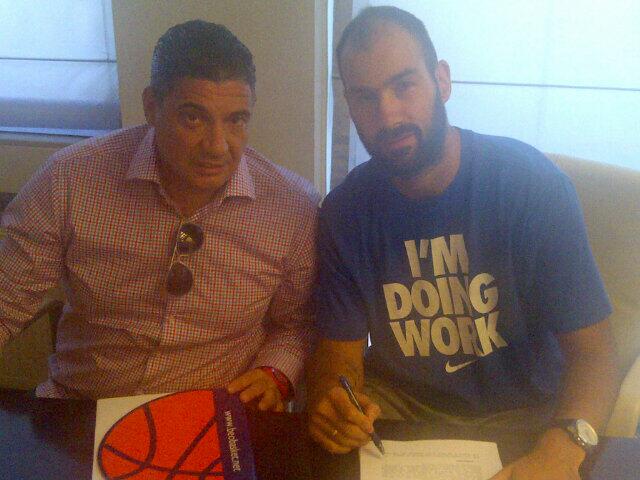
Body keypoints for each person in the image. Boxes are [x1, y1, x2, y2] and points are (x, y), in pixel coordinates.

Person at [307, 6, 621, 478]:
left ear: (442, 80)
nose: (387, 115)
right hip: (400, 417)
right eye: (365, 97)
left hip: (529, 415)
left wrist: (564, 447)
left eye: (404, 85)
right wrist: (335, 402)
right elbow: (339, 358)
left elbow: (595, 352)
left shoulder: (530, 185)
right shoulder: (344, 212)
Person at [0, 20, 319, 412]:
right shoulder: (70, 179)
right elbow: (6, 299)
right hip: (82, 407)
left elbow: (298, 323)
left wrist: (275, 373)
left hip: (213, 415)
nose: (217, 146)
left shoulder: (291, 206)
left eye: (236, 120)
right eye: (193, 118)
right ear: (151, 106)